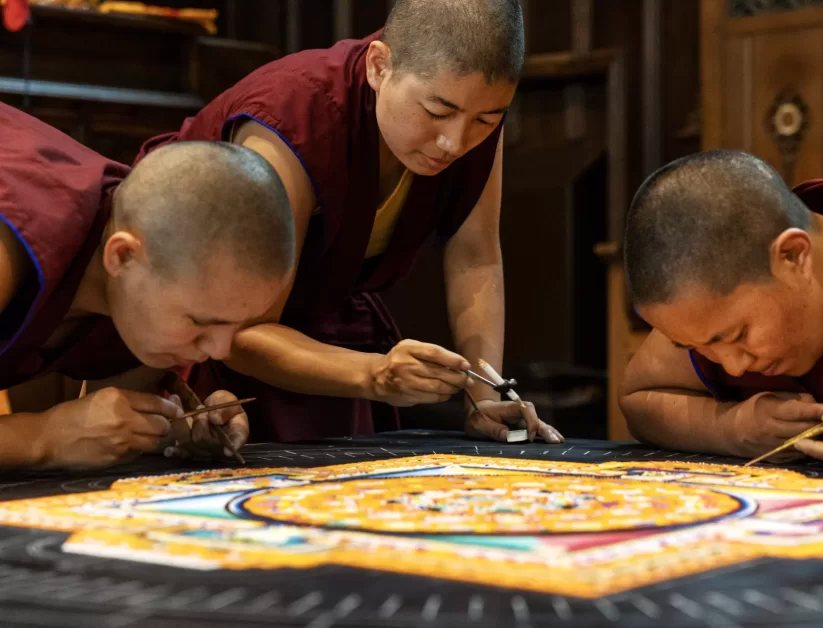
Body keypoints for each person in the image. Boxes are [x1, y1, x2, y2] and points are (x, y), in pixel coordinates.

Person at [138, 0, 563, 444]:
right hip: (204, 350)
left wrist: (485, 392)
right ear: (380, 66)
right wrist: (376, 373)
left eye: (486, 120)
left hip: (332, 345)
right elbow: (239, 329)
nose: (454, 142)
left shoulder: (470, 117)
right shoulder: (291, 122)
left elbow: (475, 256)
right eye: (437, 112)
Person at [0, 102, 295, 469]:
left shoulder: (141, 278)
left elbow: (104, 429)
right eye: (201, 322)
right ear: (121, 255)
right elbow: (56, 437)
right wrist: (41, 437)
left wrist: (168, 430)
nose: (218, 351)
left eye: (234, 327)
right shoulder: (14, 237)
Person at [619, 149, 823, 473]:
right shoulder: (711, 306)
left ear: (793, 256)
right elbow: (638, 397)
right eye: (696, 347)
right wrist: (731, 428)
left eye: (738, 335)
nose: (733, 367)